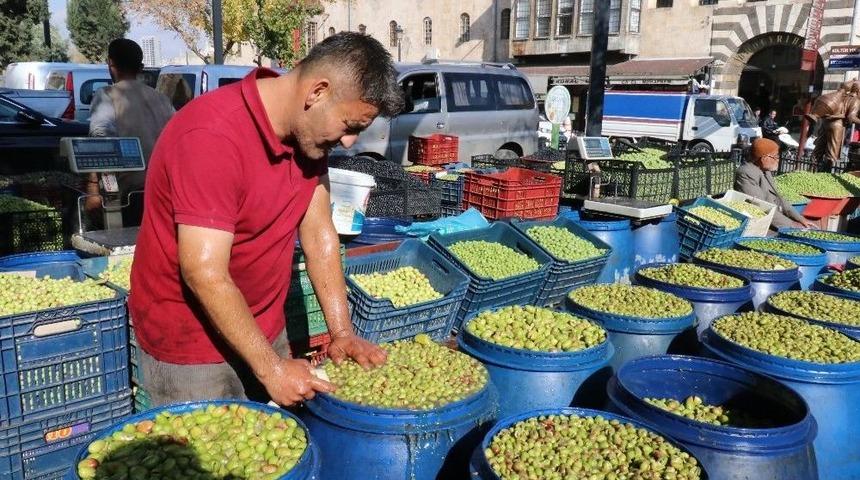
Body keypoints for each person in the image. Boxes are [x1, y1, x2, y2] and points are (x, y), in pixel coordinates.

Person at [129, 32, 404, 406]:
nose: (350, 142)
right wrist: (271, 369)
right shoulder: (211, 136)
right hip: (192, 347)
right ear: (317, 92)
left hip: (264, 328)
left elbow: (319, 233)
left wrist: (342, 333)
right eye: (350, 126)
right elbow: (204, 272)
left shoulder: (307, 137)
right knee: (212, 442)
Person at [86, 39, 175, 227]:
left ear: (110, 63)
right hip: (163, 192)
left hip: (126, 197)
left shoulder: (106, 95)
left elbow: (101, 142)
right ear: (140, 67)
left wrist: (93, 189)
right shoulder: (161, 99)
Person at [734, 138, 817, 230]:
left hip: (772, 219)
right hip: (756, 224)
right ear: (764, 158)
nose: (778, 160)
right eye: (775, 157)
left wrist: (800, 219)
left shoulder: (765, 171)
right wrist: (791, 224)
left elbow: (779, 199)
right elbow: (760, 206)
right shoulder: (746, 173)